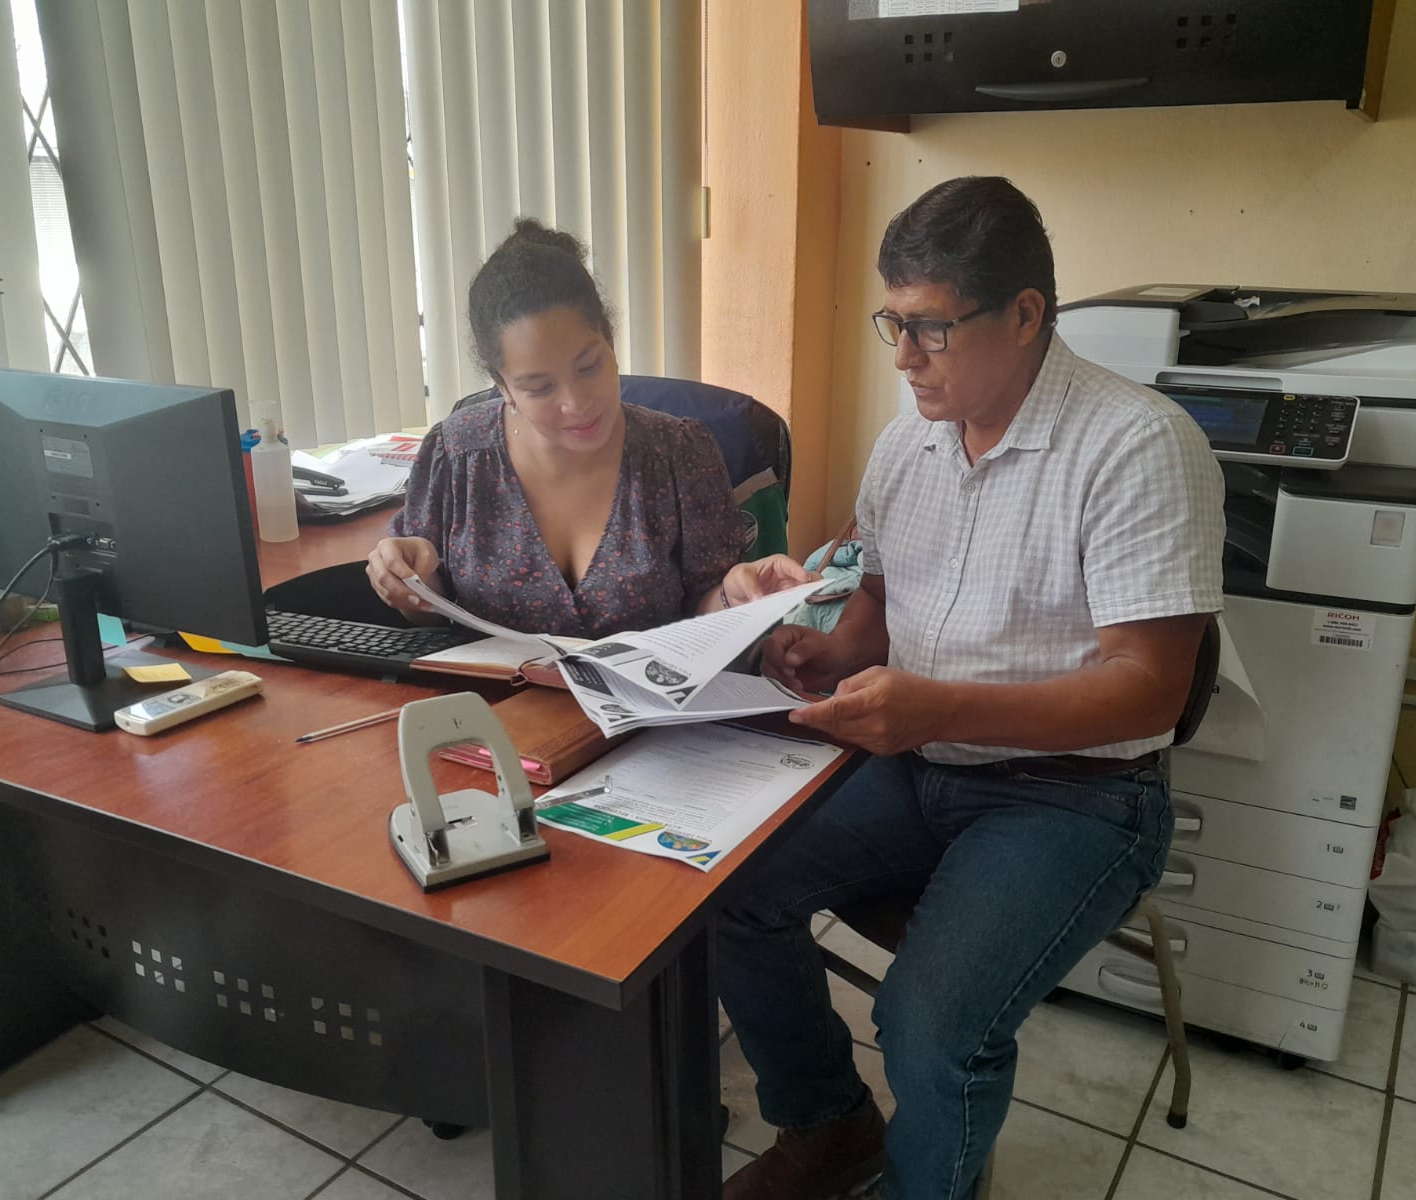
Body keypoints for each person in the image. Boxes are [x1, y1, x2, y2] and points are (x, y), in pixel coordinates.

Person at [717, 177, 1225, 1199]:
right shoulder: (910, 438)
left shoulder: (1137, 444)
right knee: (728, 894)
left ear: (1026, 314)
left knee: (929, 1023)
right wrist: (825, 653)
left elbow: (1148, 693)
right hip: (920, 764)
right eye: (892, 325)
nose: (904, 357)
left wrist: (935, 705)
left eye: (931, 328)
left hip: (1077, 796)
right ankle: (828, 1127)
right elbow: (880, 599)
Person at [366, 219, 810, 639]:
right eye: (539, 387)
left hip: (646, 696)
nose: (575, 403)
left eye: (589, 366)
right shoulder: (455, 457)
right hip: (486, 695)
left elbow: (705, 611)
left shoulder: (680, 454)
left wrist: (732, 596)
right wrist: (409, 586)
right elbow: (428, 617)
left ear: (610, 341)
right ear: (503, 386)